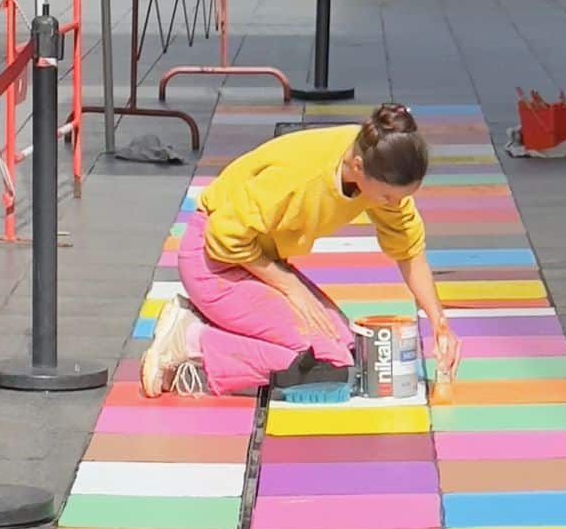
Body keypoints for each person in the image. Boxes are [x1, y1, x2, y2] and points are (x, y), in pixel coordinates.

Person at [139, 103, 462, 398]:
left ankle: (217, 327)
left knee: (345, 351)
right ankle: (191, 341)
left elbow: (408, 247)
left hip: (254, 260)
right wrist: (291, 288)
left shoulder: (376, 154)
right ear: (359, 167)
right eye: (389, 198)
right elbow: (223, 236)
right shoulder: (302, 177)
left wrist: (438, 321)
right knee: (319, 362)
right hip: (212, 262)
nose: (395, 205)